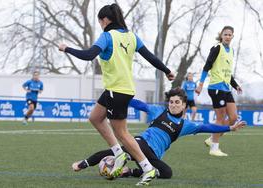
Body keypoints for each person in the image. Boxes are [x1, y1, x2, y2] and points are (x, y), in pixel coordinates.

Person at [58, 3, 174, 186]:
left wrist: (67, 49)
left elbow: (89, 55)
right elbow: (150, 57)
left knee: (123, 134)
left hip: (117, 91)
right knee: (95, 117)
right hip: (118, 89)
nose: (100, 25)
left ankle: (147, 168)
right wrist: (166, 70)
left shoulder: (107, 36)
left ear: (105, 20)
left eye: (100, 21)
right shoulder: (131, 36)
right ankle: (119, 154)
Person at [71, 87, 246, 180]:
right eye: (171, 102)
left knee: (166, 173)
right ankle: (84, 163)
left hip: (153, 155)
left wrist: (229, 128)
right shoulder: (158, 111)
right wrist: (121, 98)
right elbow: (139, 104)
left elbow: (208, 127)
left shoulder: (186, 125)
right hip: (140, 144)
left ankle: (128, 172)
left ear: (184, 105)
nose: (174, 105)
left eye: (177, 102)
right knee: (116, 152)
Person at [195, 26, 243, 157]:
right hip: (215, 87)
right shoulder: (217, 48)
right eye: (225, 34)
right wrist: (200, 85)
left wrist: (235, 85)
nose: (227, 36)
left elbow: (227, 73)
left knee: (233, 118)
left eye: (230, 34)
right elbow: (207, 66)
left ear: (232, 36)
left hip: (226, 88)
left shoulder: (231, 51)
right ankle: (214, 148)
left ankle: (212, 138)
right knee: (220, 118)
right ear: (221, 36)